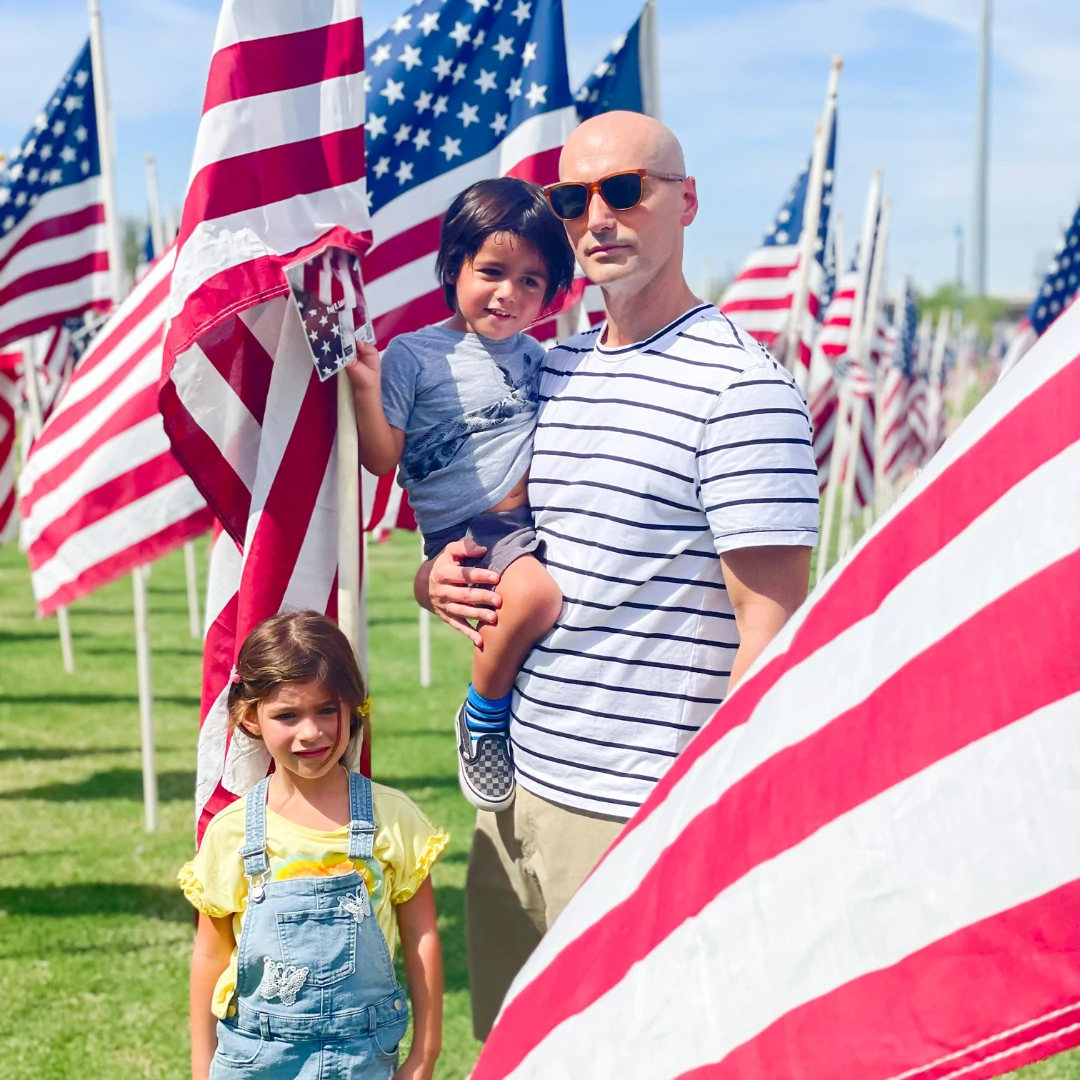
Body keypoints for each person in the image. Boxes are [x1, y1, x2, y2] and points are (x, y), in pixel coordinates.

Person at [419, 111, 820, 1038]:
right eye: (572, 198)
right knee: (514, 1048)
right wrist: (433, 578)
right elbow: (493, 532)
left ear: (685, 201)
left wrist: (714, 817)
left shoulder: (742, 389)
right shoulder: (544, 371)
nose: (597, 216)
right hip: (513, 790)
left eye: (624, 189)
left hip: (639, 815)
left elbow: (770, 627)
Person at [345, 177, 575, 813]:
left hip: (534, 522)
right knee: (534, 595)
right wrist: (366, 389)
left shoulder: (541, 357)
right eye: (493, 271)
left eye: (532, 281)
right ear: (453, 267)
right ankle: (482, 716)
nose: (510, 293)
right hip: (469, 531)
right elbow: (379, 456)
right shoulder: (415, 356)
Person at [180, 611, 447, 1080]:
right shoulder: (233, 832)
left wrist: (424, 1055)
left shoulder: (393, 818)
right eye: (287, 715)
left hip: (363, 1058)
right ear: (251, 717)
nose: (312, 732)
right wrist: (201, 1070)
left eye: (327, 709)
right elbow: (210, 954)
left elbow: (422, 937)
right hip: (254, 1058)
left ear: (353, 706)